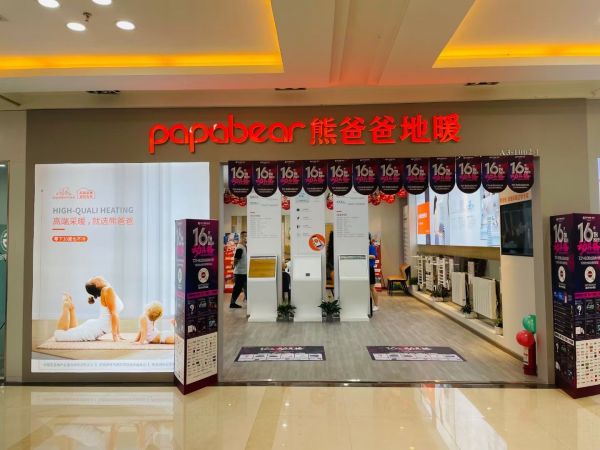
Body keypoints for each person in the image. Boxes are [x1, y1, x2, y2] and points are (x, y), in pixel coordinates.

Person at [54, 276, 125, 342]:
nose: (98, 276)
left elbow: (115, 314)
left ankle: (71, 308)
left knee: (72, 331)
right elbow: (114, 314)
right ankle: (66, 306)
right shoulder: (106, 290)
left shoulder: (107, 288)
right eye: (94, 278)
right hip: (93, 329)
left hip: (95, 326)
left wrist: (118, 334)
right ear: (97, 284)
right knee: (59, 336)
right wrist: (115, 335)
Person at [230, 231, 247, 308]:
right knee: (238, 288)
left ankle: (247, 300)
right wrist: (234, 267)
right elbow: (236, 259)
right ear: (242, 237)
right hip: (240, 272)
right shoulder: (240, 247)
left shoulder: (244, 246)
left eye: (246, 236)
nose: (246, 238)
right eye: (245, 236)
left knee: (245, 287)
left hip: (244, 272)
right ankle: (232, 303)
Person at [369, 235, 379, 311]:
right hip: (363, 269)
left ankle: (376, 305)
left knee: (372, 287)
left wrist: (365, 255)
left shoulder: (371, 247)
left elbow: (374, 256)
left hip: (370, 268)